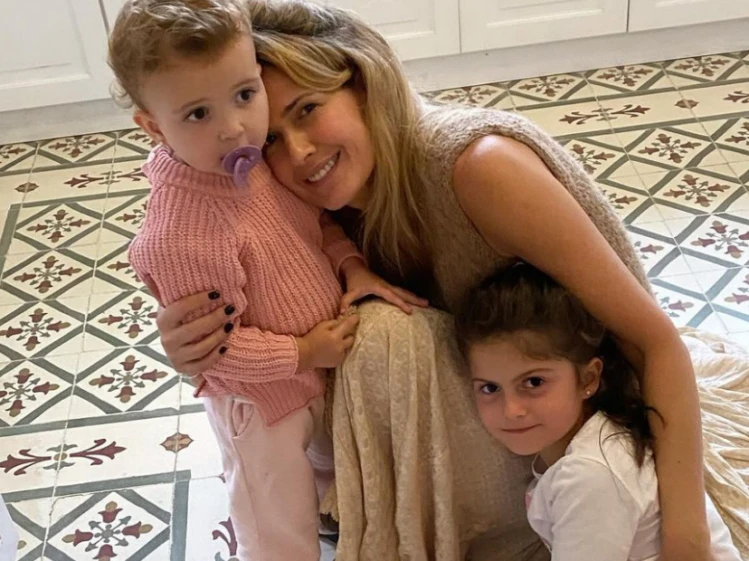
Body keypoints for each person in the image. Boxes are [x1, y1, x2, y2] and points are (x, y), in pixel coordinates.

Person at [152, 1, 748, 559]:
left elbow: (653, 342)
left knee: (380, 336)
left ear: (364, 86)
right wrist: (201, 346)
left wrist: (687, 539)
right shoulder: (303, 202)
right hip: (502, 416)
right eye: (271, 140)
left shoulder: (480, 169)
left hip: (579, 430)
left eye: (307, 109)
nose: (300, 152)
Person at [107, 1, 426, 559]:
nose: (234, 128)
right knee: (276, 525)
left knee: (322, 487)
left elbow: (315, 224)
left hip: (311, 373)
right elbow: (218, 352)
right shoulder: (181, 235)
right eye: (198, 114)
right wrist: (302, 352)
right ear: (154, 127)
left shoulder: (250, 163)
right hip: (260, 407)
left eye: (244, 95)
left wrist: (351, 266)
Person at [454, 261, 743, 561]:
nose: (511, 410)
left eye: (534, 382)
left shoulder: (589, 476)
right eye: (490, 388)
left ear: (588, 379)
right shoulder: (589, 443)